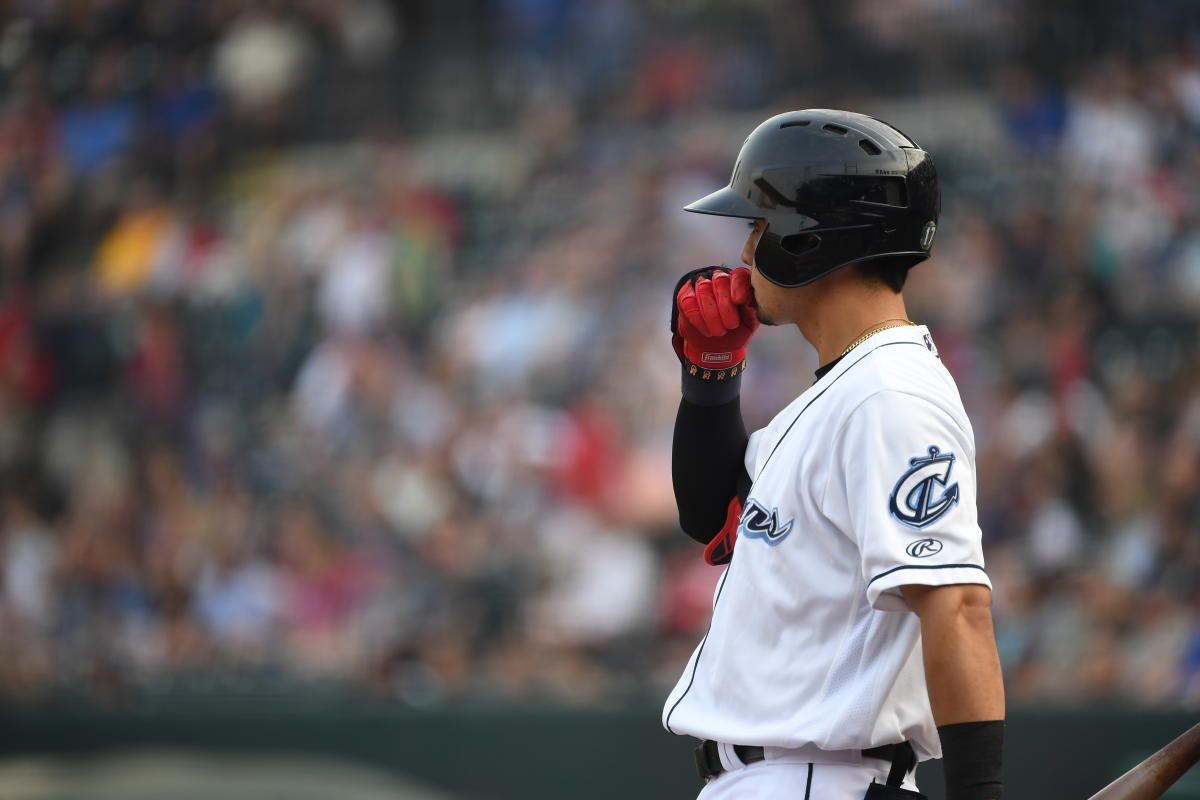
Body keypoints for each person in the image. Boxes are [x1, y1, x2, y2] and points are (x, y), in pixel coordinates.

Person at [664, 109, 1005, 800]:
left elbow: (957, 605)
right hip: (784, 776)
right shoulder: (844, 393)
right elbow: (707, 515)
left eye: (760, 225)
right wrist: (711, 379)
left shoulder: (888, 394)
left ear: (809, 241)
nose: (746, 251)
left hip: (817, 775)